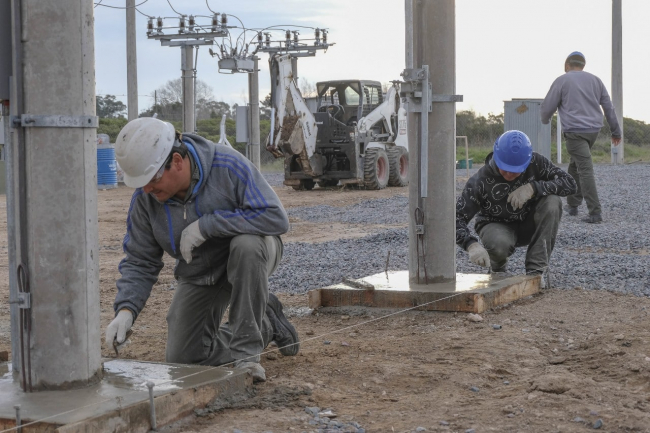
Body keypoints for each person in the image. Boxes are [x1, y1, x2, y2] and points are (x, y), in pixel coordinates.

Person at [105, 117, 298, 383]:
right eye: (141, 183)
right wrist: (126, 311)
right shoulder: (146, 199)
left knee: (246, 245)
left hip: (251, 257)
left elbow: (275, 218)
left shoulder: (228, 166)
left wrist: (208, 226)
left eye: (151, 179)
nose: (147, 189)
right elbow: (140, 261)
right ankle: (267, 322)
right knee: (184, 360)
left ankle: (246, 356)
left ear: (177, 161)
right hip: (201, 271)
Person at [456, 130, 577, 283]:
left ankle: (536, 271)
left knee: (553, 201)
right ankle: (497, 268)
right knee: (498, 246)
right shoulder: (480, 181)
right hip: (496, 225)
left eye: (515, 171)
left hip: (529, 223)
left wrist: (534, 188)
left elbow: (570, 184)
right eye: (504, 169)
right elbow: (456, 217)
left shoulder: (536, 163)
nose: (509, 174)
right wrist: (470, 244)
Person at [541, 51, 622, 224]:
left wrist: (545, 119)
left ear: (567, 65)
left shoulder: (562, 80)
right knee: (575, 165)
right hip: (593, 131)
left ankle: (595, 212)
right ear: (583, 65)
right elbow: (608, 107)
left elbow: (548, 106)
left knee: (585, 169)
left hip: (575, 132)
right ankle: (573, 204)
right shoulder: (596, 80)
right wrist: (615, 131)